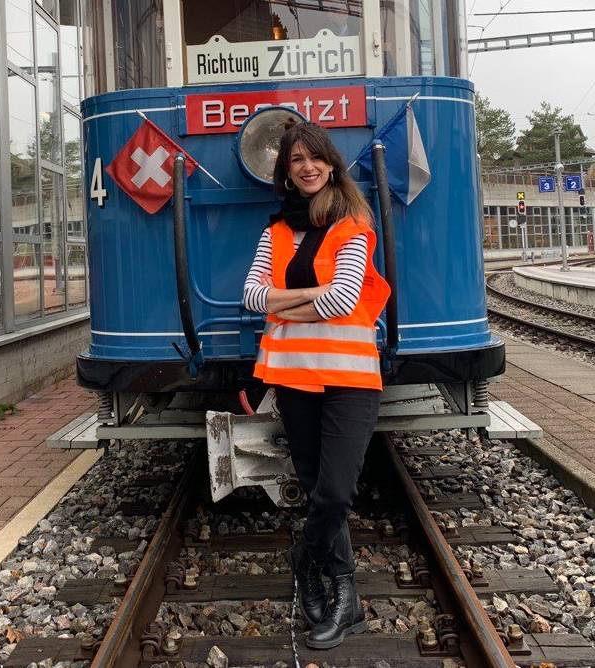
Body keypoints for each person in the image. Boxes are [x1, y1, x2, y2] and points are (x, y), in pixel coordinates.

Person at [243, 121, 390, 649]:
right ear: (286, 170)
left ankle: (305, 561)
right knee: (311, 482)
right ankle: (345, 597)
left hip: (351, 378)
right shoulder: (275, 233)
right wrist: (306, 299)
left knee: (335, 491)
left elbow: (343, 301)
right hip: (293, 377)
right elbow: (251, 297)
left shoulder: (354, 225)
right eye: (295, 160)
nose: (306, 167)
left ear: (331, 164)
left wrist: (284, 304)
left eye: (315, 158)